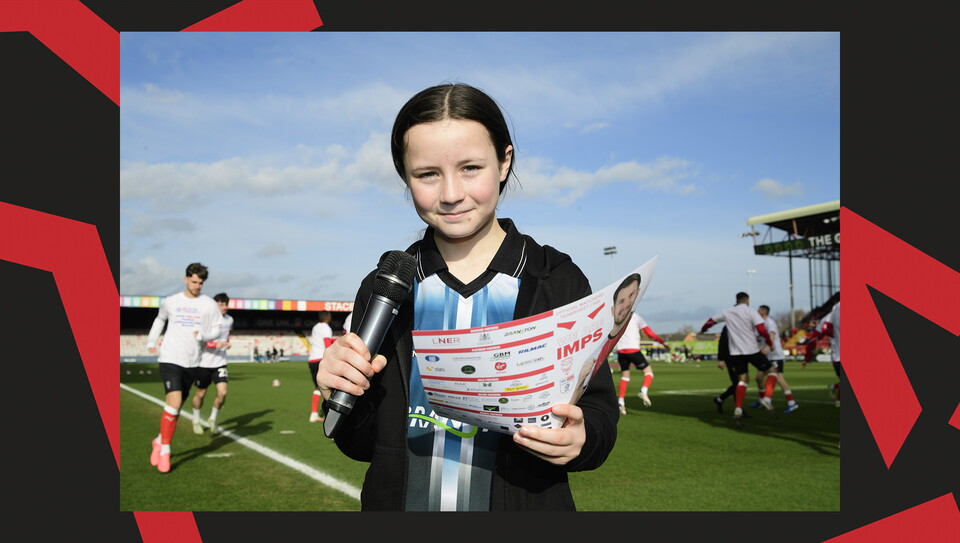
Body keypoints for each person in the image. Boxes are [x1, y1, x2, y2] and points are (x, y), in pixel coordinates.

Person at [315, 82, 619, 511]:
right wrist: (341, 390)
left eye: (471, 168)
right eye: (427, 174)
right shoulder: (385, 286)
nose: (452, 193)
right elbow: (363, 444)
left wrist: (581, 438)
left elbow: (600, 412)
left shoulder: (555, 278)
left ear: (504, 162)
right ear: (405, 175)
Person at [145, 262, 223, 473]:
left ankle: (159, 440)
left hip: (193, 362)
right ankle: (166, 451)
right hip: (170, 358)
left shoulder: (208, 304)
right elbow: (160, 320)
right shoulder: (171, 302)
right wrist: (152, 342)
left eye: (201, 283)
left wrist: (205, 336)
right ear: (186, 279)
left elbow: (218, 329)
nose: (197, 286)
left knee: (175, 408)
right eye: (194, 281)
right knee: (175, 400)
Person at [700, 291, 778, 428]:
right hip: (752, 350)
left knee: (742, 381)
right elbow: (761, 330)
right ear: (747, 301)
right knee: (772, 372)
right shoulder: (750, 311)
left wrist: (703, 329)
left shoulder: (727, 311)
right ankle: (767, 398)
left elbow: (710, 321)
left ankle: (738, 408)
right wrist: (770, 344)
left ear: (736, 300)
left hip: (735, 353)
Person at [190, 292, 233, 435]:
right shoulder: (206, 320)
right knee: (201, 394)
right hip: (203, 363)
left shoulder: (229, 320)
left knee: (223, 393)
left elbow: (227, 337)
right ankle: (196, 420)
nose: (224, 307)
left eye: (226, 304)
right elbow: (200, 339)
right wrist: (217, 345)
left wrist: (227, 344)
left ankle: (212, 419)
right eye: (221, 304)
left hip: (220, 363)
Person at [613, 311, 669, 413]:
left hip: (621, 351)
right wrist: (662, 342)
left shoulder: (616, 316)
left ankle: (621, 402)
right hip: (633, 350)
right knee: (649, 372)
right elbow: (649, 332)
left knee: (625, 377)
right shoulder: (636, 316)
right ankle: (643, 391)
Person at [750, 304, 799, 414]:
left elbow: (771, 335)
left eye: (759, 309)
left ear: (764, 311)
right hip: (766, 356)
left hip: (775, 355)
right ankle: (762, 400)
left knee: (779, 379)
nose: (757, 311)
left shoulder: (770, 322)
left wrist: (767, 347)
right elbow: (755, 335)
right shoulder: (760, 323)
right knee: (759, 378)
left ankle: (792, 403)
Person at [804, 299, 841, 406]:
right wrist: (807, 356)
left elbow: (815, 336)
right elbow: (815, 337)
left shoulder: (829, 317)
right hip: (838, 356)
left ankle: (837, 396)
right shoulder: (829, 318)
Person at [307, 311, 334, 423]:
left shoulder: (315, 327)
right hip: (321, 359)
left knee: (318, 387)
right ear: (327, 317)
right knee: (331, 387)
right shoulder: (326, 328)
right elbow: (327, 344)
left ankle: (314, 414)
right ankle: (333, 416)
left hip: (312, 359)